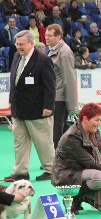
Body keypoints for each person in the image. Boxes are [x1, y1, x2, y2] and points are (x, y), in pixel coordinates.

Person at [51, 103, 101, 214]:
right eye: (97, 120)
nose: (100, 124)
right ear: (85, 119)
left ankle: (81, 196)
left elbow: (97, 156)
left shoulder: (94, 132)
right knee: (98, 177)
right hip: (66, 174)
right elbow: (91, 163)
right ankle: (73, 197)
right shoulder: (71, 137)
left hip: (85, 173)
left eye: (100, 120)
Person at [4, 30, 56, 182]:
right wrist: (11, 101)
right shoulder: (16, 57)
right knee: (19, 142)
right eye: (17, 44)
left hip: (38, 109)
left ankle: (50, 169)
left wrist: (48, 106)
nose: (19, 47)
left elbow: (50, 86)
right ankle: (20, 172)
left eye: (22, 44)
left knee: (43, 141)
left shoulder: (43, 60)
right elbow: (14, 82)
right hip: (19, 109)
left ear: (31, 43)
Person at [46, 24, 77, 150]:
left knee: (57, 132)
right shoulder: (54, 49)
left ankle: (57, 160)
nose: (46, 38)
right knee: (58, 130)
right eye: (45, 35)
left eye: (49, 35)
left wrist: (71, 104)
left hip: (60, 97)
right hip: (54, 95)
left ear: (58, 36)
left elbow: (68, 79)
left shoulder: (64, 52)